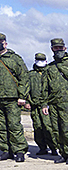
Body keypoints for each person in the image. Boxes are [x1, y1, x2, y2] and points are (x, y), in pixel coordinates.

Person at [41, 38, 68, 165]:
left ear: (65, 48)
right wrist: (44, 103)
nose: (58, 50)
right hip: (53, 103)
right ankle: (63, 153)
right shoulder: (49, 68)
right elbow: (44, 87)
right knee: (56, 130)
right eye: (56, 48)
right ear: (52, 49)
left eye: (60, 48)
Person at [0, 33, 29, 162]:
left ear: (5, 43)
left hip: (12, 98)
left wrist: (22, 96)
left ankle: (19, 151)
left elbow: (24, 77)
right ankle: (6, 150)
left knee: (14, 125)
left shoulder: (14, 58)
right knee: (1, 126)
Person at [25, 53, 57, 156]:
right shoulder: (30, 74)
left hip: (46, 106)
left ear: (46, 61)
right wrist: (27, 101)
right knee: (37, 127)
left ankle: (53, 148)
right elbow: (26, 89)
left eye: (42, 60)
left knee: (48, 127)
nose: (40, 61)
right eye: (38, 59)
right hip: (34, 105)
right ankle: (42, 147)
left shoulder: (50, 72)